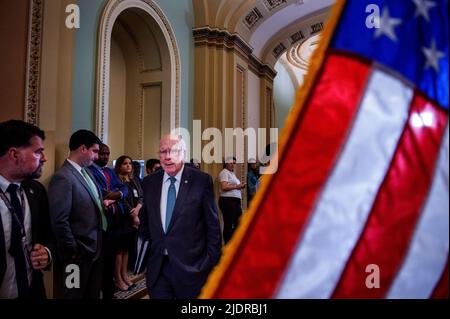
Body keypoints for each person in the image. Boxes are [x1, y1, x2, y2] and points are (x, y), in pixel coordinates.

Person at [140, 135, 221, 299]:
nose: (168, 156)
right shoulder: (149, 183)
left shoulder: (200, 181)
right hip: (158, 269)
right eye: (163, 151)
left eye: (174, 151)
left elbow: (212, 225)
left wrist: (210, 263)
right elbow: (145, 224)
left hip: (193, 269)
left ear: (183, 153)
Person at [48, 129, 105, 299]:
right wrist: (73, 250)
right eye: (94, 151)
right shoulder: (63, 177)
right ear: (82, 149)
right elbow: (59, 220)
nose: (96, 157)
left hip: (95, 249)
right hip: (77, 255)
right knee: (73, 296)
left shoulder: (86, 172)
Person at [0, 120, 53, 299]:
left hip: (33, 291)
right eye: (38, 152)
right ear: (14, 154)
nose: (44, 158)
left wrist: (47, 252)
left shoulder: (36, 191)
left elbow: (48, 235)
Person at [87, 143, 128, 298]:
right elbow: (100, 192)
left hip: (115, 220)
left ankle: (109, 291)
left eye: (108, 154)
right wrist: (113, 195)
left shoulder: (110, 171)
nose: (106, 157)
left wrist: (117, 195)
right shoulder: (89, 171)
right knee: (100, 264)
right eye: (102, 153)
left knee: (111, 259)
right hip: (100, 223)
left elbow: (124, 188)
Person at [115, 156, 143, 290]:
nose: (128, 166)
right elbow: (121, 200)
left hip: (134, 218)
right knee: (119, 250)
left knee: (126, 249)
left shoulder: (134, 181)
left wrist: (137, 209)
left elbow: (141, 197)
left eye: (130, 163)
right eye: (125, 163)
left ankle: (125, 275)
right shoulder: (117, 181)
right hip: (122, 219)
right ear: (119, 166)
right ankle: (118, 278)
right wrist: (132, 214)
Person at [218, 156, 246, 244]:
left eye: (233, 163)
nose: (232, 165)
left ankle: (234, 244)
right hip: (228, 201)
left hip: (234, 202)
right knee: (229, 224)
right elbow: (224, 187)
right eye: (230, 163)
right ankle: (228, 246)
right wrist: (238, 186)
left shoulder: (232, 174)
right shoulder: (224, 172)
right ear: (226, 163)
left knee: (238, 223)